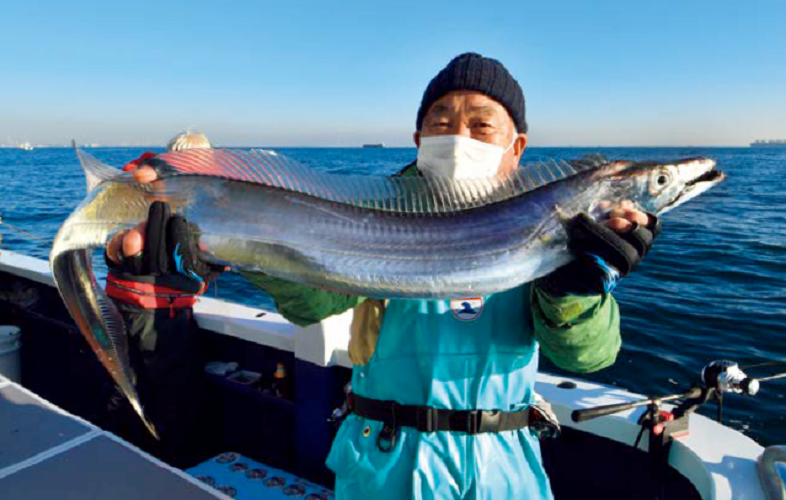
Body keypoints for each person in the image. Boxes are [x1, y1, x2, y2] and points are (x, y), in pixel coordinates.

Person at [108, 54, 659, 499]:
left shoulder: (561, 230)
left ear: (517, 148)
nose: (456, 133)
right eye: (439, 120)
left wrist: (577, 286)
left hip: (504, 470)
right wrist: (249, 248)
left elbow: (588, 357)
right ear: (418, 139)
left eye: (480, 123)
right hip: (382, 462)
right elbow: (315, 306)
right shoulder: (372, 218)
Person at [103, 130, 220, 467]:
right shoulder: (184, 199)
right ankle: (172, 467)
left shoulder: (141, 187)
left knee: (125, 390)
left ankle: (123, 459)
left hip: (120, 309)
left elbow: (120, 246)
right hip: (159, 321)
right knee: (175, 401)